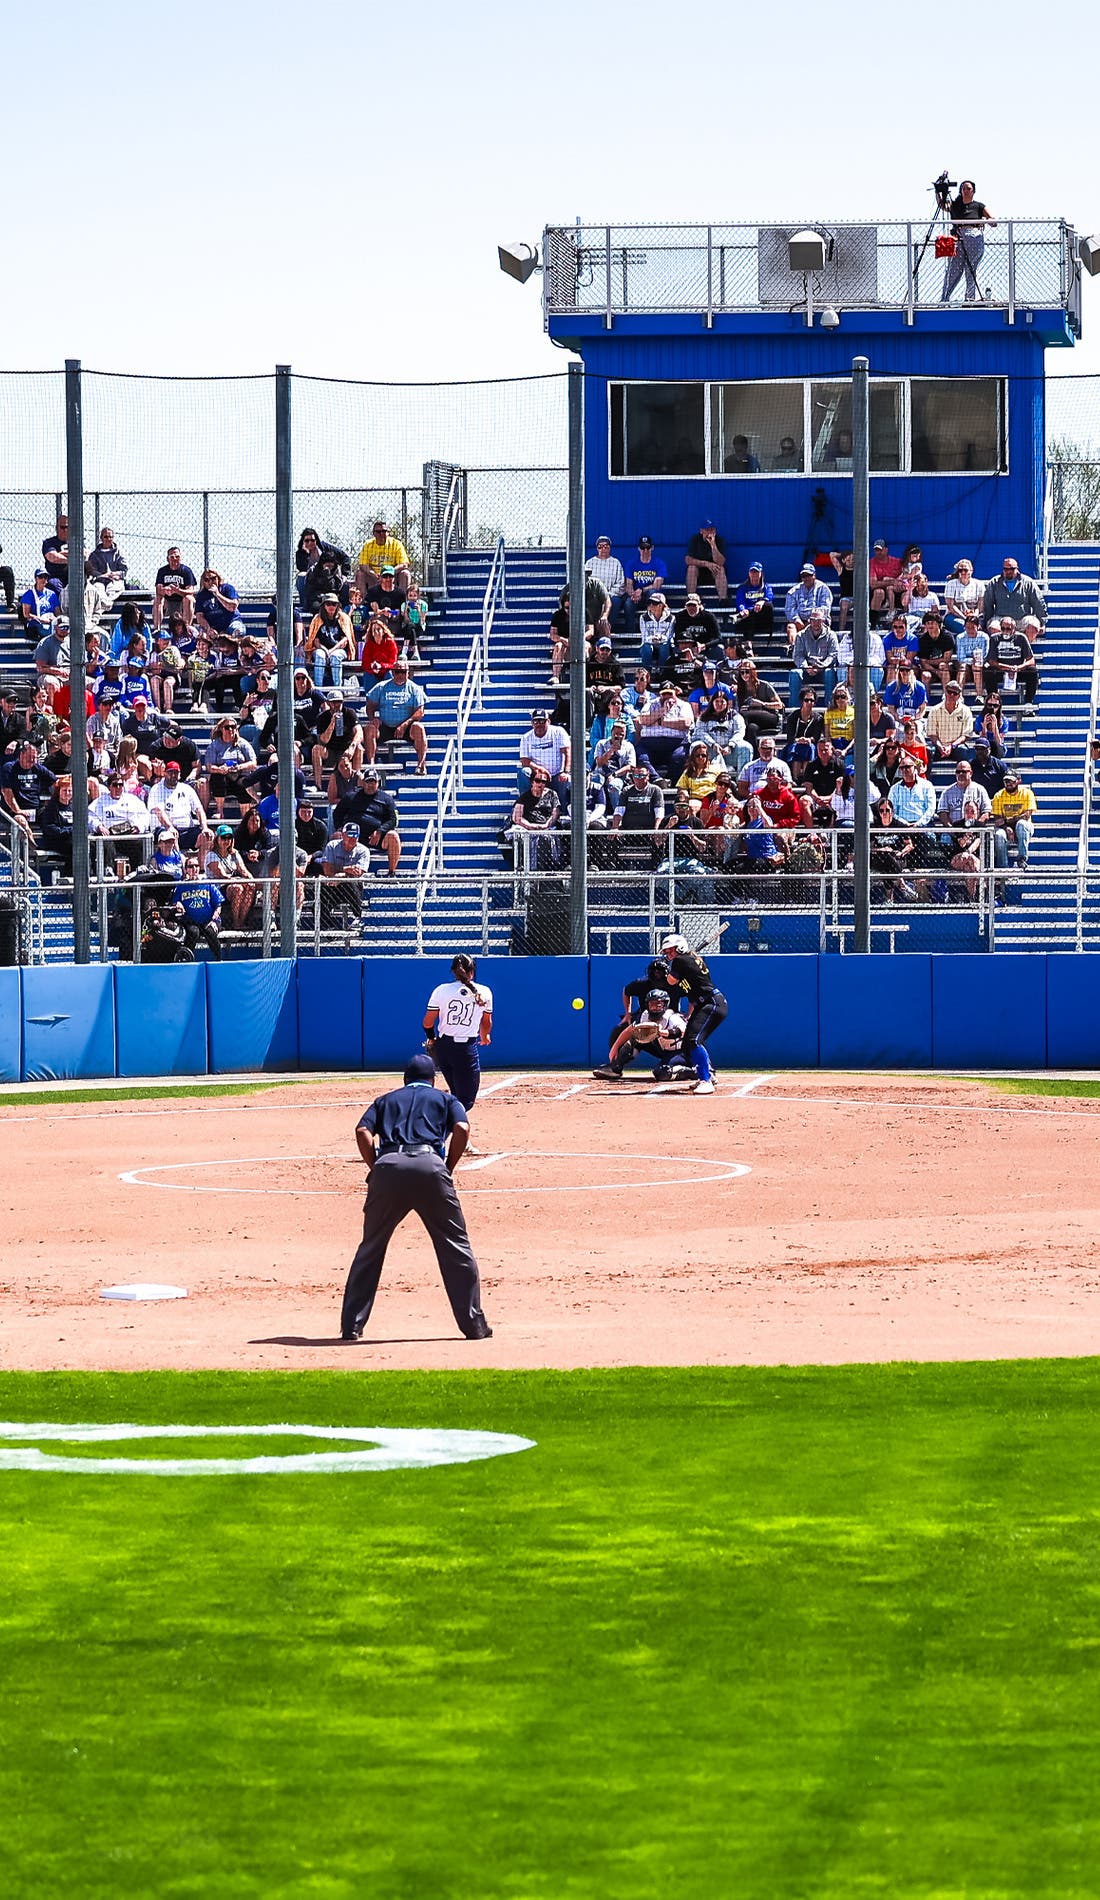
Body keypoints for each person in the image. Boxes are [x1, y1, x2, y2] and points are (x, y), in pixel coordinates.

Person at [339, 1053, 492, 1343]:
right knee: (455, 1246)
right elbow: (462, 1128)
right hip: (429, 1166)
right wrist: (447, 1168)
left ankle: (352, 1326)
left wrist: (377, 1167)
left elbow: (362, 1131)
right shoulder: (446, 1099)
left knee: (371, 1246)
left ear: (405, 1079)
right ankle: (474, 1326)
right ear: (432, 1079)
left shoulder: (385, 1099)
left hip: (388, 1167)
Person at [657, 934, 727, 1095]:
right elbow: (691, 993)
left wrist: (670, 970)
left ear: (680, 947)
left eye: (670, 951)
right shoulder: (688, 960)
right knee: (689, 1042)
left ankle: (706, 1080)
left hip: (711, 1003)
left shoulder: (681, 961)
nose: (668, 955)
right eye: (666, 952)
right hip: (705, 1004)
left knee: (694, 1040)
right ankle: (707, 1073)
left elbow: (671, 981)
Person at [423, 955, 493, 1112]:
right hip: (466, 1049)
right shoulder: (484, 992)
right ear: (472, 972)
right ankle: (447, 1128)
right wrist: (485, 1036)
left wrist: (431, 1038)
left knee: (456, 1095)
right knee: (466, 1101)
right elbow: (486, 1022)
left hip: (444, 1047)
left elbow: (427, 1022)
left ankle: (453, 1131)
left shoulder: (441, 990)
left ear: (454, 972)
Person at [593, 987, 691, 1083]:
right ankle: (616, 1068)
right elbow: (630, 1030)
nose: (655, 1008)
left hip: (680, 1052)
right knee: (636, 1039)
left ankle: (693, 1071)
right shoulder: (645, 1016)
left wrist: (661, 1032)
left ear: (665, 1005)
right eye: (652, 1004)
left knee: (662, 1073)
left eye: (658, 1005)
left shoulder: (672, 1017)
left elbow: (680, 1032)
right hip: (662, 1048)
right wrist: (615, 1047)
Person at [362, 659, 427, 773]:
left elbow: (420, 711)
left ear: (408, 673)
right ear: (392, 672)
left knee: (419, 728)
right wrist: (373, 719)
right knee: (369, 728)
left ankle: (421, 765)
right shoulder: (381, 687)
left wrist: (405, 724)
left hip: (406, 727)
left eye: (403, 671)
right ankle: (371, 765)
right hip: (385, 726)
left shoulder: (415, 689)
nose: (400, 674)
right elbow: (370, 705)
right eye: (397, 671)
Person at [941, 180, 997, 303]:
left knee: (970, 268)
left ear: (973, 191)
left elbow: (992, 219)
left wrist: (988, 221)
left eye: (968, 188)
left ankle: (969, 298)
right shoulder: (955, 205)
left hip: (973, 235)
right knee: (953, 269)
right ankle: (944, 299)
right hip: (958, 237)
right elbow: (943, 205)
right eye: (963, 188)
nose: (966, 191)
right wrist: (939, 192)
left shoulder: (978, 206)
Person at [518, 708, 570, 809]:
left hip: (557, 775)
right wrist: (540, 769)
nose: (539, 724)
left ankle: (563, 809)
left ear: (548, 721)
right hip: (537, 776)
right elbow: (524, 761)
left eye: (542, 721)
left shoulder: (558, 732)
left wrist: (566, 772)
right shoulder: (526, 737)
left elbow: (567, 752)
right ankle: (525, 805)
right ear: (532, 723)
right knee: (523, 772)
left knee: (566, 779)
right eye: (536, 721)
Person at [173, 856, 224, 957]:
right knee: (193, 932)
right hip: (191, 921)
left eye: (196, 866)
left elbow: (218, 905)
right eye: (191, 866)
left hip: (209, 920)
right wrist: (178, 904)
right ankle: (186, 959)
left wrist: (214, 919)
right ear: (186, 869)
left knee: (210, 931)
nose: (194, 868)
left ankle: (219, 960)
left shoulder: (207, 883)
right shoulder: (181, 886)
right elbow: (175, 902)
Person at [985, 616, 1039, 709]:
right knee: (989, 671)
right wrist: (1007, 667)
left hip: (1018, 670)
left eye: (1008, 629)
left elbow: (1031, 660)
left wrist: (1019, 667)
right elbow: (992, 661)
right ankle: (993, 702)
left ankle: (1029, 703)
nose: (1005, 631)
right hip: (1001, 670)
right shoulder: (994, 638)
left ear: (1014, 629)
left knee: (1032, 671)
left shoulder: (1021, 638)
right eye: (1003, 628)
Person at [788, 611, 839, 708]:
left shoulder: (831, 635)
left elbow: (833, 654)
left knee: (830, 673)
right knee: (795, 673)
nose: (815, 623)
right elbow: (798, 655)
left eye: (818, 620)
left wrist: (822, 665)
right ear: (809, 621)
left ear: (823, 620)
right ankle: (794, 710)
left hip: (823, 669)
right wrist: (806, 667)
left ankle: (830, 708)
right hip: (806, 669)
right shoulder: (800, 635)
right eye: (813, 620)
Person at [305, 595, 356, 690]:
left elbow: (345, 639)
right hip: (321, 648)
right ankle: (317, 689)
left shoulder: (343, 618)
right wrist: (325, 650)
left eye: (334, 604)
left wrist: (332, 650)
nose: (331, 606)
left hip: (339, 649)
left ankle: (338, 689)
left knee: (335, 656)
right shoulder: (318, 619)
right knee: (320, 656)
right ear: (324, 606)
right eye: (328, 604)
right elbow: (315, 640)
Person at [990, 770, 1038, 869]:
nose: (1008, 783)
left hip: (1024, 827)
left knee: (1021, 824)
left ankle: (1022, 858)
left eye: (1011, 781)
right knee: (999, 834)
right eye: (1006, 781)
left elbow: (1026, 815)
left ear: (1018, 781)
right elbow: (998, 820)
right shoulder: (998, 796)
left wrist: (1007, 820)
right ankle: (1003, 867)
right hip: (1004, 828)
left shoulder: (1027, 793)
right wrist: (1006, 827)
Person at [982, 558, 1046, 630]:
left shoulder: (1028, 583)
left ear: (1017, 569)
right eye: (1006, 569)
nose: (1008, 571)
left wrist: (1042, 622)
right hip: (1000, 618)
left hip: (1022, 619)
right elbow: (988, 604)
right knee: (994, 627)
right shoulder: (994, 582)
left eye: (1012, 569)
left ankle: (1027, 641)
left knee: (1032, 626)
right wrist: (986, 623)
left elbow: (1038, 602)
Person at [357, 521, 411, 597]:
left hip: (392, 577)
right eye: (378, 532)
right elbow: (363, 564)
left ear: (388, 532)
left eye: (384, 531)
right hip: (374, 578)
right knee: (360, 574)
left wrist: (389, 573)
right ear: (374, 533)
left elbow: (404, 564)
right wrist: (374, 574)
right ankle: (361, 605)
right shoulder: (368, 545)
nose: (381, 534)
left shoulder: (396, 544)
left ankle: (402, 603)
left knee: (405, 573)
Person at [622, 536, 667, 627]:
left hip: (649, 595)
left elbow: (657, 585)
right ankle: (630, 636)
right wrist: (633, 595)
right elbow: (629, 585)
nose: (645, 551)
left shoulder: (659, 563)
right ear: (639, 548)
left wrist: (641, 590)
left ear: (652, 548)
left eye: (648, 548)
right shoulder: (631, 563)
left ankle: (653, 630)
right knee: (628, 604)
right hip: (636, 596)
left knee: (652, 593)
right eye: (643, 548)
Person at [784, 564, 833, 647]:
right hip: (800, 622)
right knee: (791, 627)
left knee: (815, 625)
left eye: (809, 575)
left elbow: (825, 608)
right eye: (804, 576)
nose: (806, 578)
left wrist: (812, 620)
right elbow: (789, 609)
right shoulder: (793, 591)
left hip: (818, 620)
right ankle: (794, 648)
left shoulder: (823, 588)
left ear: (814, 575)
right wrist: (797, 620)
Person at [926, 681, 974, 762]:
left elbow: (966, 735)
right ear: (945, 692)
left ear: (959, 695)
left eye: (955, 693)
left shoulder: (966, 711)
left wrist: (952, 746)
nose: (951, 695)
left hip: (957, 746)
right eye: (949, 692)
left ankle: (963, 774)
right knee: (927, 752)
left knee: (963, 751)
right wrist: (940, 746)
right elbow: (932, 734)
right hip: (938, 746)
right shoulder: (934, 710)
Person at [152, 547, 199, 628]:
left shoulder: (186, 571)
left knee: (188, 598)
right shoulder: (162, 571)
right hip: (167, 601)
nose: (175, 559)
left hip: (182, 601)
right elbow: (158, 590)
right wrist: (166, 590)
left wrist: (177, 590)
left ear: (180, 557)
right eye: (172, 557)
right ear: (168, 559)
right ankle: (157, 629)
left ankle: (187, 628)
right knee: (157, 599)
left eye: (177, 557)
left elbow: (190, 591)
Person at [733, 561, 775, 646]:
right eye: (752, 572)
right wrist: (743, 610)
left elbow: (770, 597)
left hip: (761, 619)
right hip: (748, 619)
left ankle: (740, 616)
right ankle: (748, 645)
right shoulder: (742, 588)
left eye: (756, 572)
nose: (754, 574)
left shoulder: (766, 587)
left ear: (761, 573)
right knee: (748, 616)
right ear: (749, 573)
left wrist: (762, 602)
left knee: (768, 605)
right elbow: (740, 601)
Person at [86, 527, 127, 612]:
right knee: (98, 588)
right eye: (106, 537)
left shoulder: (118, 553)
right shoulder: (94, 554)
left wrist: (116, 574)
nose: (108, 539)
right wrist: (102, 575)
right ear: (101, 538)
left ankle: (105, 604)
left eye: (110, 537)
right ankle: (106, 604)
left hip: (114, 580)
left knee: (113, 588)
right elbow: (91, 570)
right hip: (100, 580)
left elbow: (124, 570)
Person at [685, 522, 728, 601]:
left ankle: (723, 600)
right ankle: (691, 599)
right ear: (701, 531)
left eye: (711, 530)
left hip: (713, 573)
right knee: (691, 568)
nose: (709, 532)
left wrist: (713, 545)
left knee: (721, 569)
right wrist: (706, 564)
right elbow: (688, 560)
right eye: (707, 530)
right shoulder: (695, 539)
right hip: (698, 574)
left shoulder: (719, 540)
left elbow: (721, 562)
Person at [637, 594, 676, 674]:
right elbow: (644, 637)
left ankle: (662, 673)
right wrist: (653, 638)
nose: (651, 605)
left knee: (665, 647)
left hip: (664, 645)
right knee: (646, 648)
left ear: (661, 605)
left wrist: (660, 638)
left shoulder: (671, 618)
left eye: (654, 603)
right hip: (649, 644)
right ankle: (646, 674)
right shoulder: (643, 617)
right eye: (649, 603)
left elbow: (669, 636)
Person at [19, 571, 61, 643]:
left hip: (51, 624)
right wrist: (42, 620)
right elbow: (26, 614)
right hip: (36, 626)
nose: (43, 579)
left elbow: (57, 612)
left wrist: (54, 619)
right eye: (41, 577)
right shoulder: (29, 594)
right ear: (36, 579)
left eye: (45, 577)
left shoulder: (52, 594)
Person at [827, 551, 855, 631]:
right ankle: (841, 631)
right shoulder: (841, 569)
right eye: (848, 560)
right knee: (844, 604)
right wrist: (844, 555)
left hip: (858, 598)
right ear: (843, 561)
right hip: (846, 598)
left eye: (853, 559)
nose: (851, 562)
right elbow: (831, 554)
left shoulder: (860, 570)